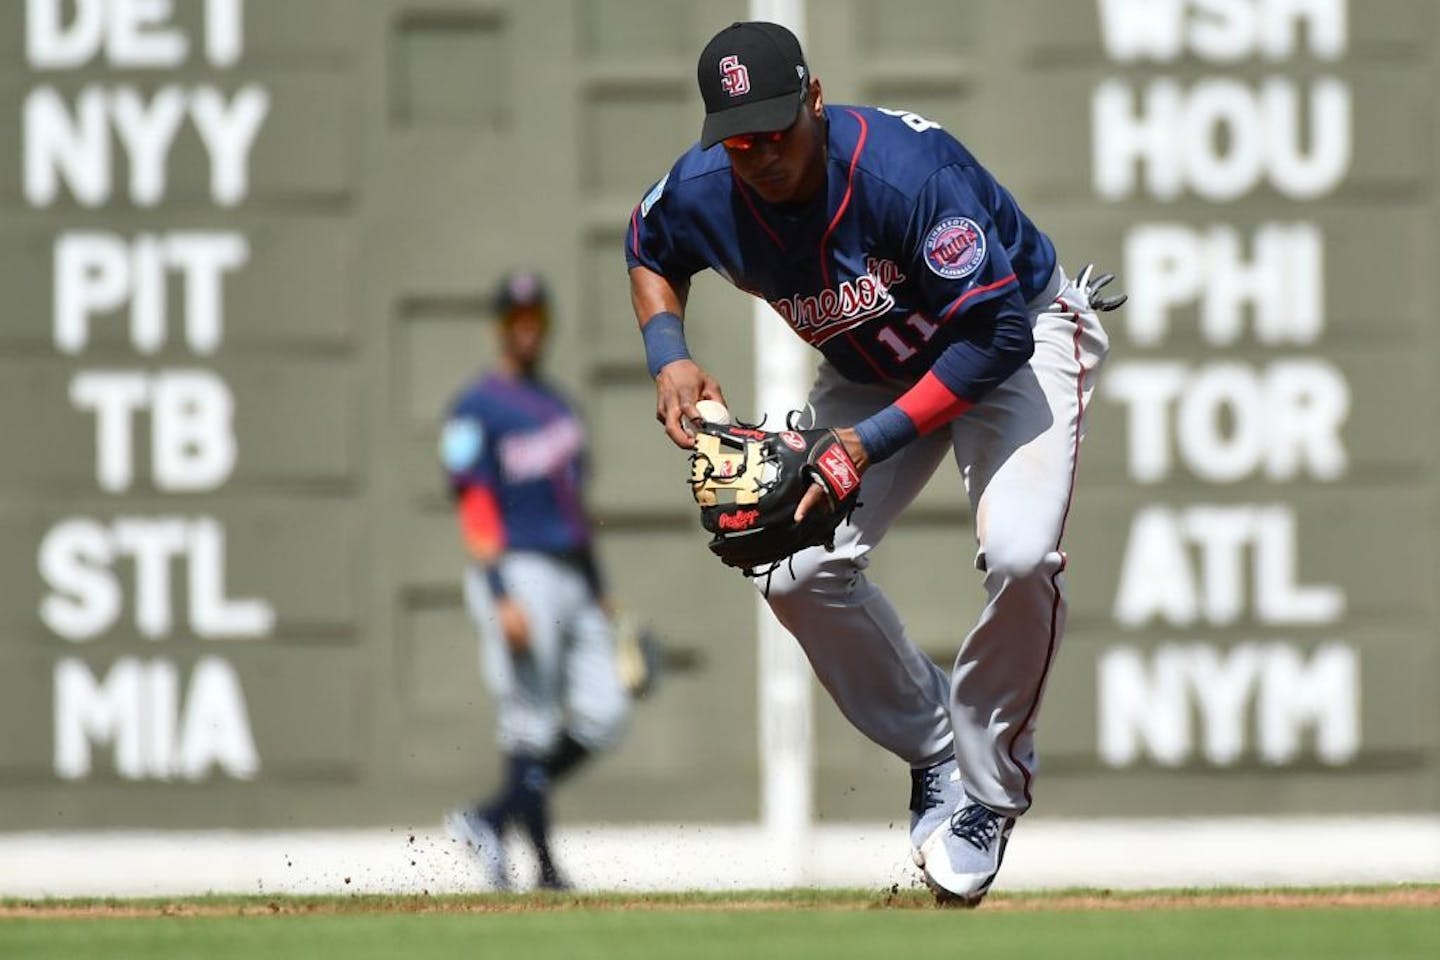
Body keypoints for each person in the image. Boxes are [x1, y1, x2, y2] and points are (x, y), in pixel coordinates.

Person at [624, 22, 1121, 905]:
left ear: (815, 99)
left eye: (777, 130)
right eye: (741, 140)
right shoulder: (708, 190)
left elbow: (995, 332)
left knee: (1017, 554)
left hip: (1016, 342)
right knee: (795, 571)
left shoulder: (904, 176)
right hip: (871, 369)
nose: (762, 154)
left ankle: (991, 792)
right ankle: (938, 750)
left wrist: (865, 444)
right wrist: (670, 353)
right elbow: (648, 246)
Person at [440, 269, 629, 892]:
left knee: (604, 714)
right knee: (531, 723)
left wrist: (600, 586)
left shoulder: (559, 407)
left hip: (573, 570)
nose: (526, 329)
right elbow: (474, 504)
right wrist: (499, 593)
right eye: (515, 319)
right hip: (517, 569)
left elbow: (577, 505)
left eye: (535, 318)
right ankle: (544, 868)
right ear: (500, 326)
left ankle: (488, 819)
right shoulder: (475, 408)